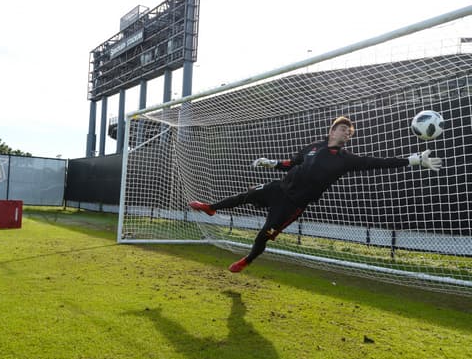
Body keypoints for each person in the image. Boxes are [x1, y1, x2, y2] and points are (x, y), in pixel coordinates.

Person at [189, 116, 442, 274]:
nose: (347, 133)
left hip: (292, 205)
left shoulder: (345, 160)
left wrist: (413, 160)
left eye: (349, 132)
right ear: (333, 131)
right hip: (279, 188)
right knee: (244, 196)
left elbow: (378, 162)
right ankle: (211, 207)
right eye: (344, 129)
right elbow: (293, 162)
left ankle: (248, 259)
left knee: (264, 234)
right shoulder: (313, 147)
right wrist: (271, 163)